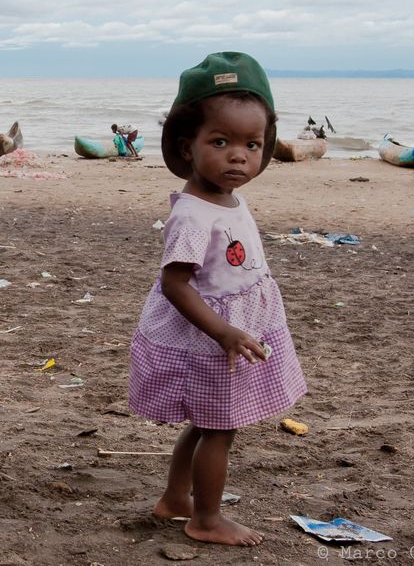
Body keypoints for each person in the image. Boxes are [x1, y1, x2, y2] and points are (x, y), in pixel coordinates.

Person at [130, 52, 307, 546]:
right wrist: (225, 331)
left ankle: (174, 499)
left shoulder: (227, 198)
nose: (238, 156)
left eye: (252, 144)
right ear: (187, 147)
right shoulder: (192, 215)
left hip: (231, 328)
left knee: (206, 423)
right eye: (221, 141)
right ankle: (206, 519)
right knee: (219, 431)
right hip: (211, 336)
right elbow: (175, 283)